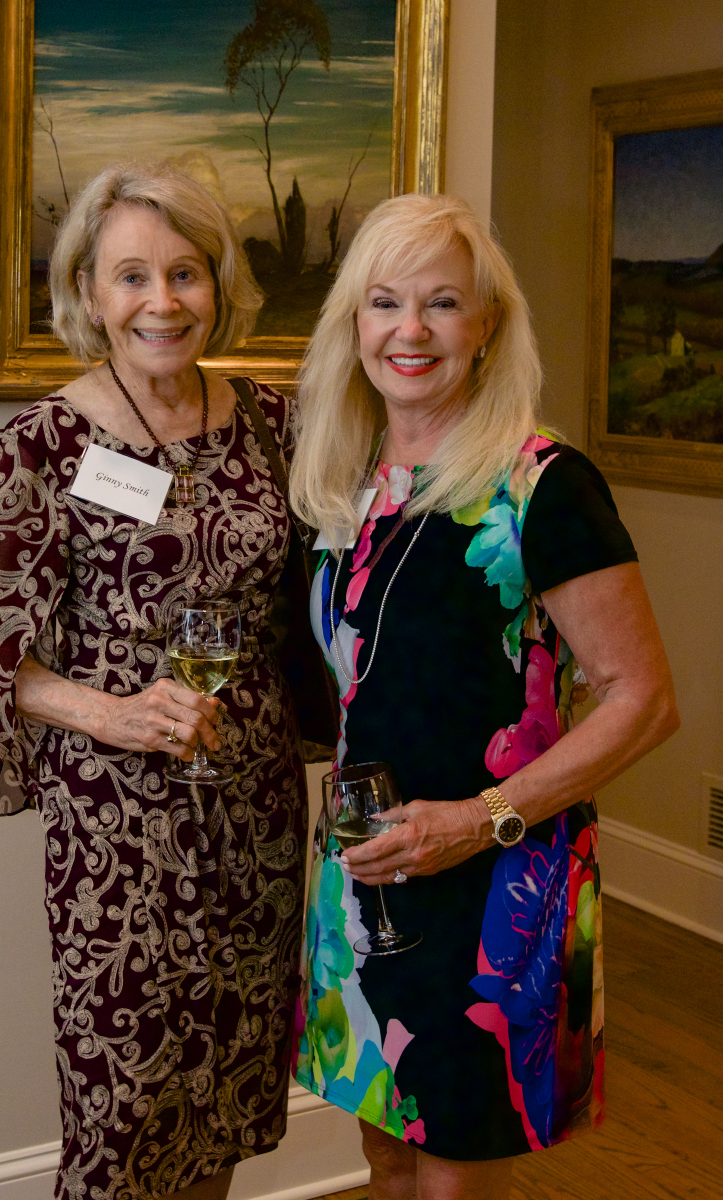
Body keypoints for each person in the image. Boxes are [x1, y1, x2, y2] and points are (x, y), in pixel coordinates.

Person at [0, 164, 308, 1200]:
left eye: (185, 272)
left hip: (255, 809)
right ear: (88, 295)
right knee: (126, 1106)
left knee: (225, 1089)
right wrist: (115, 714)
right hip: (119, 825)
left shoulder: (272, 423)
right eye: (131, 276)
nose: (162, 301)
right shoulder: (41, 446)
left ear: (218, 284)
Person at [288, 192, 679, 1200]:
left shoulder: (542, 486)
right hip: (367, 872)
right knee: (384, 1148)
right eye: (384, 303)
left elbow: (641, 698)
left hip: (493, 874)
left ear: (487, 324)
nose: (409, 330)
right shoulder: (346, 483)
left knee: (455, 1169)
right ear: (353, 324)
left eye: (441, 303)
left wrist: (477, 819)